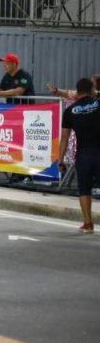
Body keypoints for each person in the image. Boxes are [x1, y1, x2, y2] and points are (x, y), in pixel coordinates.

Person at [57, 78, 100, 233]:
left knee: (84, 189)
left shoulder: (70, 111)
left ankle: (88, 224)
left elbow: (64, 138)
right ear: (91, 90)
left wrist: (60, 159)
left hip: (83, 156)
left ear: (78, 91)